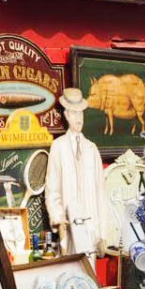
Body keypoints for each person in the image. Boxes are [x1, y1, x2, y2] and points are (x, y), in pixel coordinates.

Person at [46, 88, 106, 262]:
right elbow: (52, 188)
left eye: (81, 113)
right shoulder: (58, 147)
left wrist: (102, 232)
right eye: (74, 113)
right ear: (66, 115)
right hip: (70, 226)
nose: (78, 118)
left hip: (90, 226)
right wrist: (58, 218)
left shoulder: (91, 148)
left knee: (90, 277)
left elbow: (100, 192)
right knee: (71, 275)